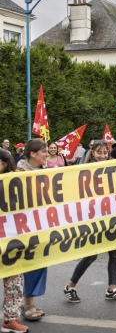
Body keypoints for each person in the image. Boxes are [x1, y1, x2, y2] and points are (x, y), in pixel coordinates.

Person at [63, 141, 116, 303]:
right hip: (93, 219)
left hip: (110, 216)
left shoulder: (112, 167)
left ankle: (111, 289)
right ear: (92, 153)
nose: (102, 156)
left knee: (114, 254)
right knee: (90, 256)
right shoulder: (84, 170)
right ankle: (70, 287)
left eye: (105, 153)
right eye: (99, 153)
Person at [17, 139, 49, 322]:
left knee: (39, 262)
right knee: (29, 264)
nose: (47, 154)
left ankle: (28, 301)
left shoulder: (44, 172)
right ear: (33, 154)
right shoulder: (17, 173)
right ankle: (26, 304)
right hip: (24, 227)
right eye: (44, 151)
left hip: (41, 225)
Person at [1, 151, 29, 333]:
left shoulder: (17, 179)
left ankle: (11, 319)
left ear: (4, 163)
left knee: (14, 279)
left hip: (10, 238)